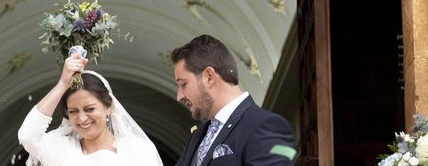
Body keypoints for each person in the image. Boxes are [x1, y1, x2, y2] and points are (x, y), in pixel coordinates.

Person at [18, 53, 163, 166]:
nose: (82, 119)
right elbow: (27, 136)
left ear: (108, 107)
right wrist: (62, 84)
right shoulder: (63, 149)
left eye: (89, 109)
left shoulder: (138, 150)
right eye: (73, 111)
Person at [172, 35, 296, 166]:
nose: (179, 96)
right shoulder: (197, 136)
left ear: (209, 77)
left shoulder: (267, 126)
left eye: (183, 84)